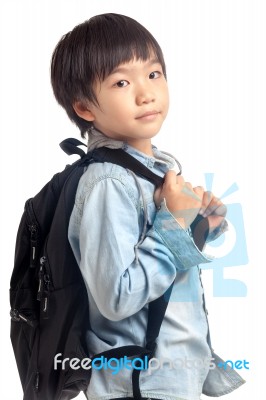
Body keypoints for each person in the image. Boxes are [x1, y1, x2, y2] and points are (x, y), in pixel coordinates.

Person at [51, 13, 245, 400]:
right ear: (85, 108)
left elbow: (165, 269)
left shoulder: (156, 167)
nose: (146, 93)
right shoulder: (108, 183)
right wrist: (174, 220)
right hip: (140, 383)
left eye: (153, 74)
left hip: (172, 375)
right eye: (122, 82)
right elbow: (117, 297)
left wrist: (199, 223)